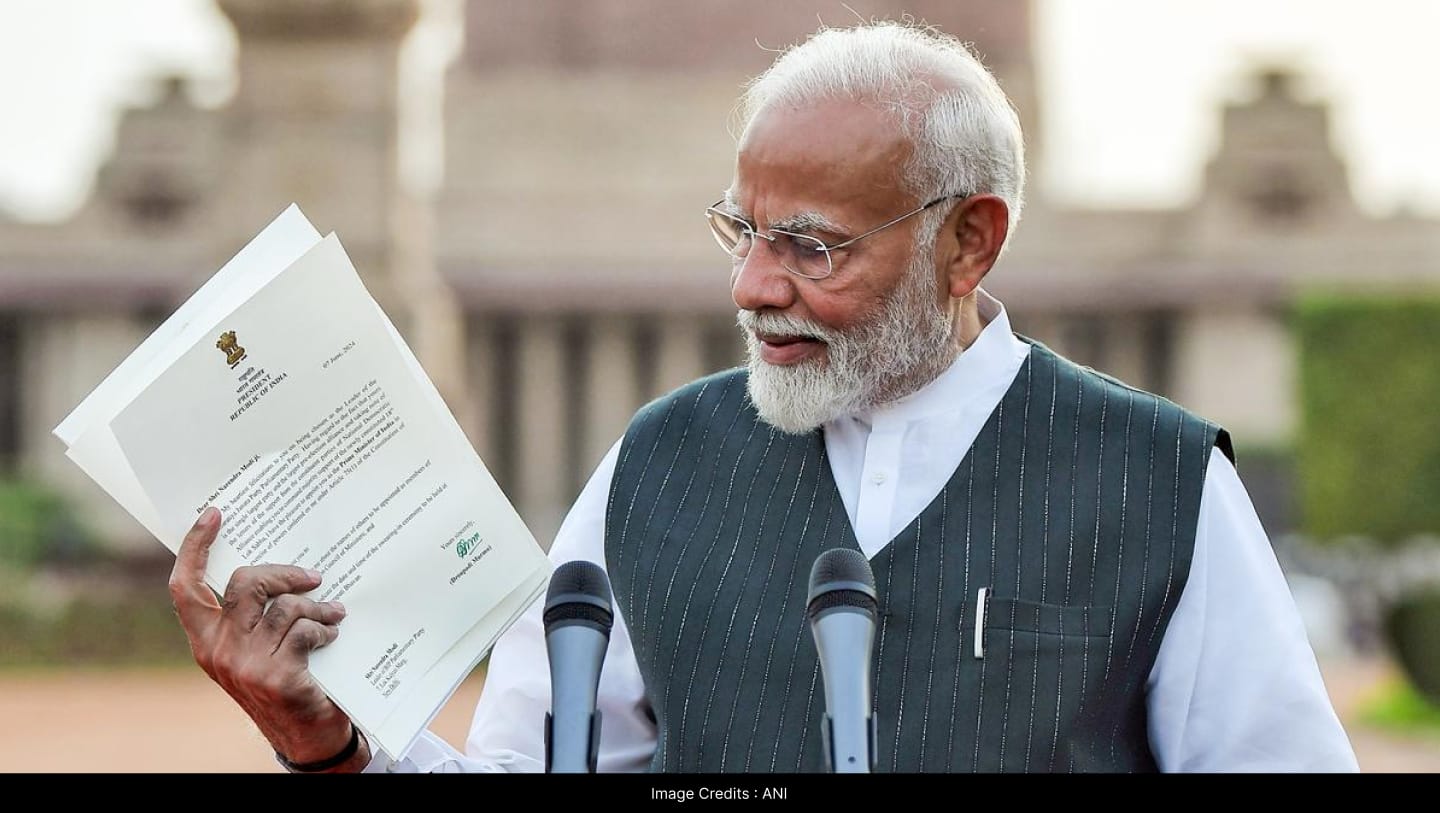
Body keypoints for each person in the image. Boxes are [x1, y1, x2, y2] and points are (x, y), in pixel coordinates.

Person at [168, 20, 1359, 773]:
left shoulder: (1154, 479)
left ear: (969, 243)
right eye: (742, 230)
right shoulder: (659, 462)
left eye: (811, 245)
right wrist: (327, 744)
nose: (750, 286)